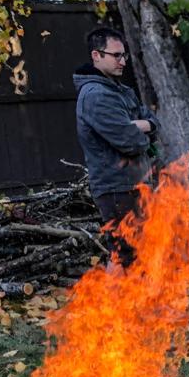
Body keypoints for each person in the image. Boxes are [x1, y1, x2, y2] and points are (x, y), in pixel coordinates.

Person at [73, 26, 159, 228]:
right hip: (117, 191)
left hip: (137, 185)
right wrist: (143, 130)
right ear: (96, 55)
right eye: (116, 55)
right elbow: (132, 142)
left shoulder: (122, 91)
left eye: (124, 55)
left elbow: (154, 122)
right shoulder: (96, 95)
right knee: (126, 248)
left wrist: (145, 125)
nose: (123, 62)